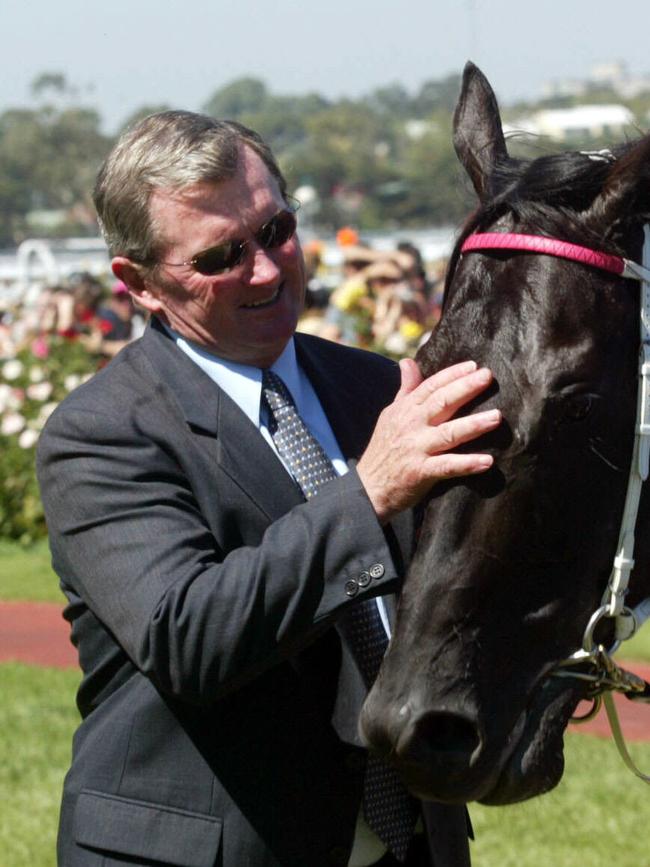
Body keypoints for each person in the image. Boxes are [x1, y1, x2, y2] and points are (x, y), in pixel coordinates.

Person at [36, 111, 501, 867]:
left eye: (276, 229)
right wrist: (370, 492)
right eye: (221, 255)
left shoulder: (378, 386)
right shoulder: (101, 433)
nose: (265, 268)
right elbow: (188, 635)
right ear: (140, 283)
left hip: (407, 842)